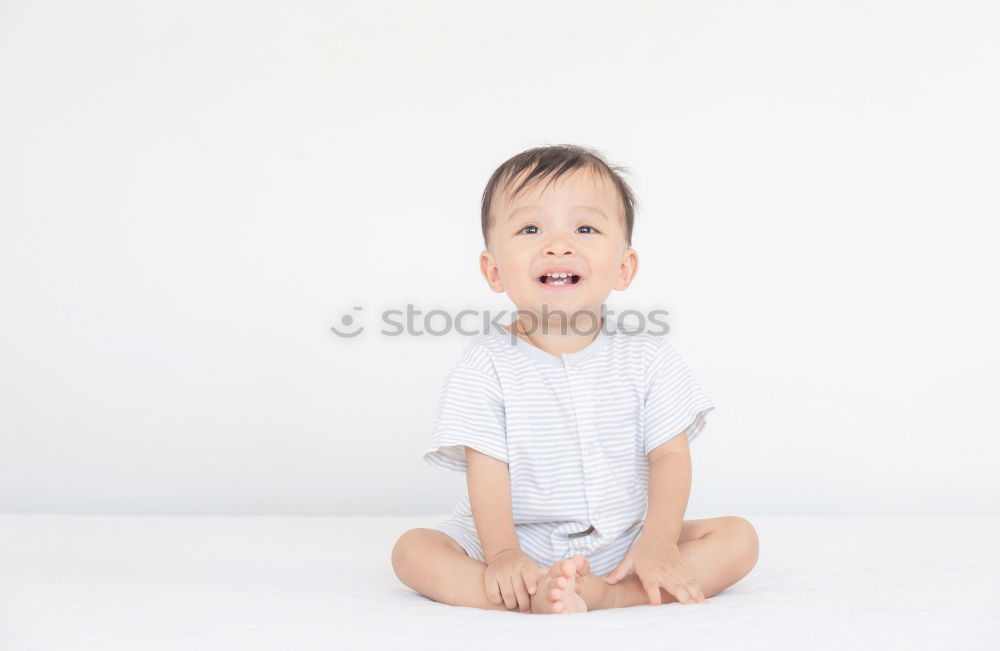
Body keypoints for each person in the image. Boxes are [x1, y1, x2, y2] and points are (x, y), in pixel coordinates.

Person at [391, 144, 759, 614]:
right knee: (413, 551)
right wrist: (503, 555)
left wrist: (659, 541)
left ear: (624, 267)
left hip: (623, 534)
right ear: (494, 270)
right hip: (508, 536)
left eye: (585, 228)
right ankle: (523, 592)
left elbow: (669, 455)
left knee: (738, 539)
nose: (558, 244)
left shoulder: (648, 357)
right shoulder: (485, 363)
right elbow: (487, 467)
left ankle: (610, 593)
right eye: (530, 228)